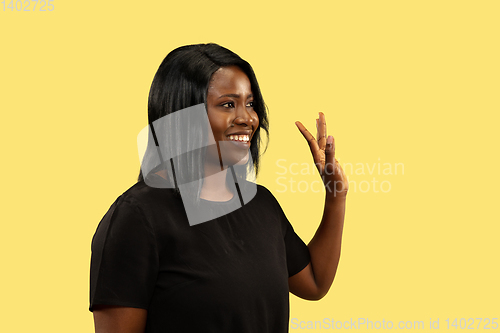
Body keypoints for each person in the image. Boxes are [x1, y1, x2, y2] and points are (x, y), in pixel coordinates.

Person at [89, 43, 349, 333]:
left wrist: (335, 196)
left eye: (250, 103)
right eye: (228, 104)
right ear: (184, 114)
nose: (247, 118)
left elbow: (313, 282)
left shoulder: (260, 203)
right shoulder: (137, 218)